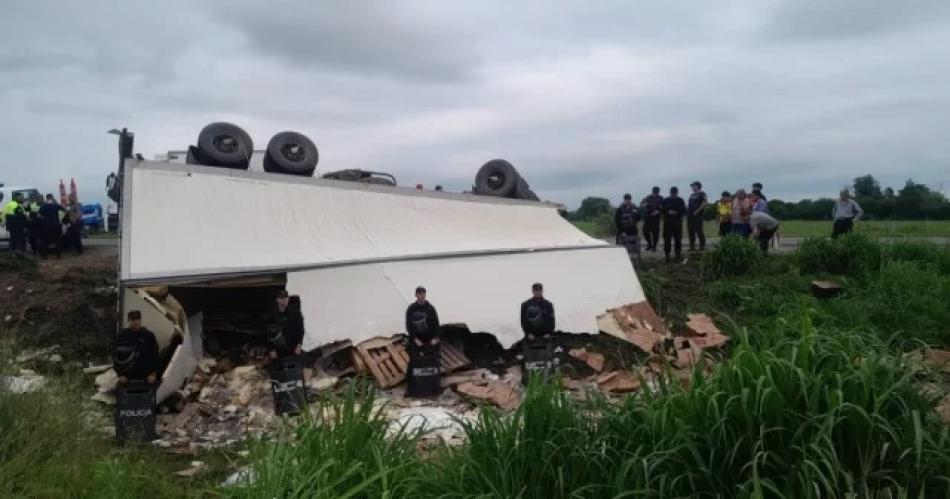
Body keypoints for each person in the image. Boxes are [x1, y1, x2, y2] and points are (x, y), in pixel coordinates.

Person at [113, 310, 160, 386]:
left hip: (146, 375)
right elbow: (115, 356)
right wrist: (120, 374)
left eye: (138, 319)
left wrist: (153, 374)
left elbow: (155, 355)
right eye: (133, 319)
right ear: (128, 321)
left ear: (141, 320)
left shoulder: (149, 335)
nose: (136, 322)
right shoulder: (122, 335)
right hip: (127, 376)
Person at [266, 289, 305, 360]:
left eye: (286, 298)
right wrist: (271, 349)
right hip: (278, 349)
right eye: (281, 298)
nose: (284, 300)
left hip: (293, 348)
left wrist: (299, 345)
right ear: (277, 300)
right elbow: (269, 334)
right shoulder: (272, 316)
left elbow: (300, 331)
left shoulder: (295, 314)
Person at [662, 186, 686, 262]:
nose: (673, 194)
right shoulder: (666, 200)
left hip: (677, 222)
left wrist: (677, 212)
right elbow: (662, 210)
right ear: (670, 192)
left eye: (675, 193)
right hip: (667, 222)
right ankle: (667, 255)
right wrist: (668, 212)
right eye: (672, 193)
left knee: (678, 239)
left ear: (677, 193)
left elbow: (684, 211)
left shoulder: (680, 200)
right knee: (667, 239)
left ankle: (677, 255)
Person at [37, 194, 65, 259]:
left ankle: (44, 256)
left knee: (45, 241)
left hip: (46, 226)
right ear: (52, 198)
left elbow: (38, 215)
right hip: (56, 225)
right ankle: (58, 255)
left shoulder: (43, 206)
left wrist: (44, 217)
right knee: (57, 241)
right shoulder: (56, 205)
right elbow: (64, 210)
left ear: (46, 198)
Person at [687, 181, 708, 251]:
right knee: (691, 232)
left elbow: (704, 203)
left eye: (693, 185)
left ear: (698, 186)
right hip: (690, 216)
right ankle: (692, 247)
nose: (692, 187)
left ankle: (702, 246)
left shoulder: (702, 193)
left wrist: (697, 211)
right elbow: (689, 205)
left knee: (699, 231)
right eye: (692, 186)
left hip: (698, 216)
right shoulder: (691, 195)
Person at [640, 186, 663, 252]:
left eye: (657, 193)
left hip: (656, 218)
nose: (655, 194)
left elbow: (664, 207)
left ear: (658, 192)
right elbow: (642, 204)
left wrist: (658, 211)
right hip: (648, 217)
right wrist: (644, 204)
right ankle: (649, 244)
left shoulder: (661, 198)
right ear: (652, 191)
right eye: (654, 192)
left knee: (655, 233)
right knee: (645, 231)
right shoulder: (648, 197)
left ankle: (654, 246)